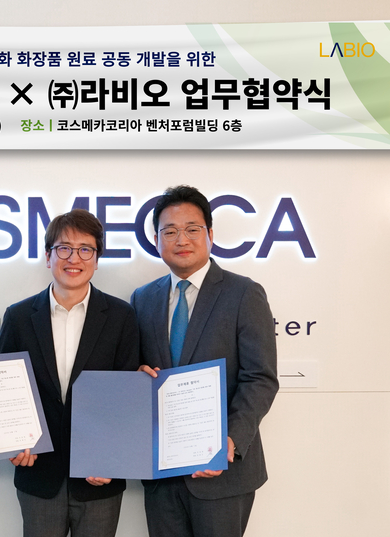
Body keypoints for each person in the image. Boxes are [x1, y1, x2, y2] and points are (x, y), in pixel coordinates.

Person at [131, 185, 279, 537]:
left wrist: (231, 439)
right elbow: (137, 369)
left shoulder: (244, 293)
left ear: (210, 235)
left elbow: (260, 377)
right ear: (156, 240)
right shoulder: (142, 299)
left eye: (192, 229)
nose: (181, 239)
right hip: (162, 475)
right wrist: (136, 376)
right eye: (170, 231)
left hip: (222, 472)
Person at [0, 209, 140, 537]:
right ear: (48, 256)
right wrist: (11, 443)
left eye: (85, 249)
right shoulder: (19, 317)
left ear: (96, 259)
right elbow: (4, 393)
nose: (74, 258)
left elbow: (126, 399)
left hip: (99, 477)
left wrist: (113, 459)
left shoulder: (121, 317)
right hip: (38, 474)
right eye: (64, 248)